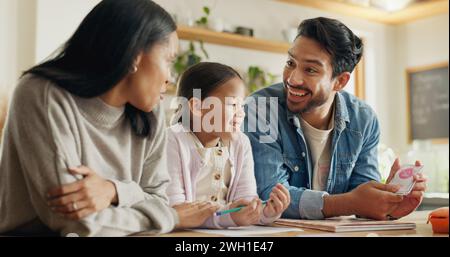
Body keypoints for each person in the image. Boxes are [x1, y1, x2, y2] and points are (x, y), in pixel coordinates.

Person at [0, 0, 217, 237]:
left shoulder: (150, 113)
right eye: (168, 60)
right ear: (134, 56)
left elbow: (158, 198)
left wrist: (113, 190)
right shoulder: (41, 94)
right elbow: (77, 224)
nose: (170, 77)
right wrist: (170, 217)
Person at [243, 17, 427, 221]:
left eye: (310, 70)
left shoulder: (363, 119)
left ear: (340, 81)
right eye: (290, 63)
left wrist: (389, 202)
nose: (292, 79)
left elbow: (362, 198)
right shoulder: (260, 108)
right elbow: (269, 195)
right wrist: (349, 202)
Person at [166, 62, 290, 228]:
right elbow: (176, 212)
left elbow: (245, 203)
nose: (241, 114)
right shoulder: (171, 140)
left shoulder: (241, 143)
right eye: (233, 105)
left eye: (242, 105)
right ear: (197, 107)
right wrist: (229, 218)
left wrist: (265, 213)